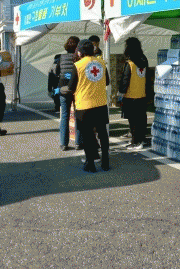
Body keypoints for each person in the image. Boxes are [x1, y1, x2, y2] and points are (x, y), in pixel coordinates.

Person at [61, 39, 110, 172]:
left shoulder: (78, 65)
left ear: (80, 52)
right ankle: (105, 162)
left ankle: (90, 164)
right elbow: (107, 82)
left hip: (84, 105)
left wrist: (62, 89)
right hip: (100, 103)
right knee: (103, 134)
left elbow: (71, 87)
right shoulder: (101, 63)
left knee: (87, 135)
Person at [50, 36, 82, 151]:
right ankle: (78, 143)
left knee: (64, 116)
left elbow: (56, 72)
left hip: (63, 88)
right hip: (77, 88)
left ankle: (64, 144)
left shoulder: (61, 57)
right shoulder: (79, 58)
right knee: (78, 115)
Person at [117, 37, 148, 150]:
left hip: (131, 96)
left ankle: (135, 142)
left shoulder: (129, 63)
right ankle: (142, 139)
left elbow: (125, 80)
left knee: (133, 121)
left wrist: (120, 93)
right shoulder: (144, 60)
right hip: (142, 95)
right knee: (141, 119)